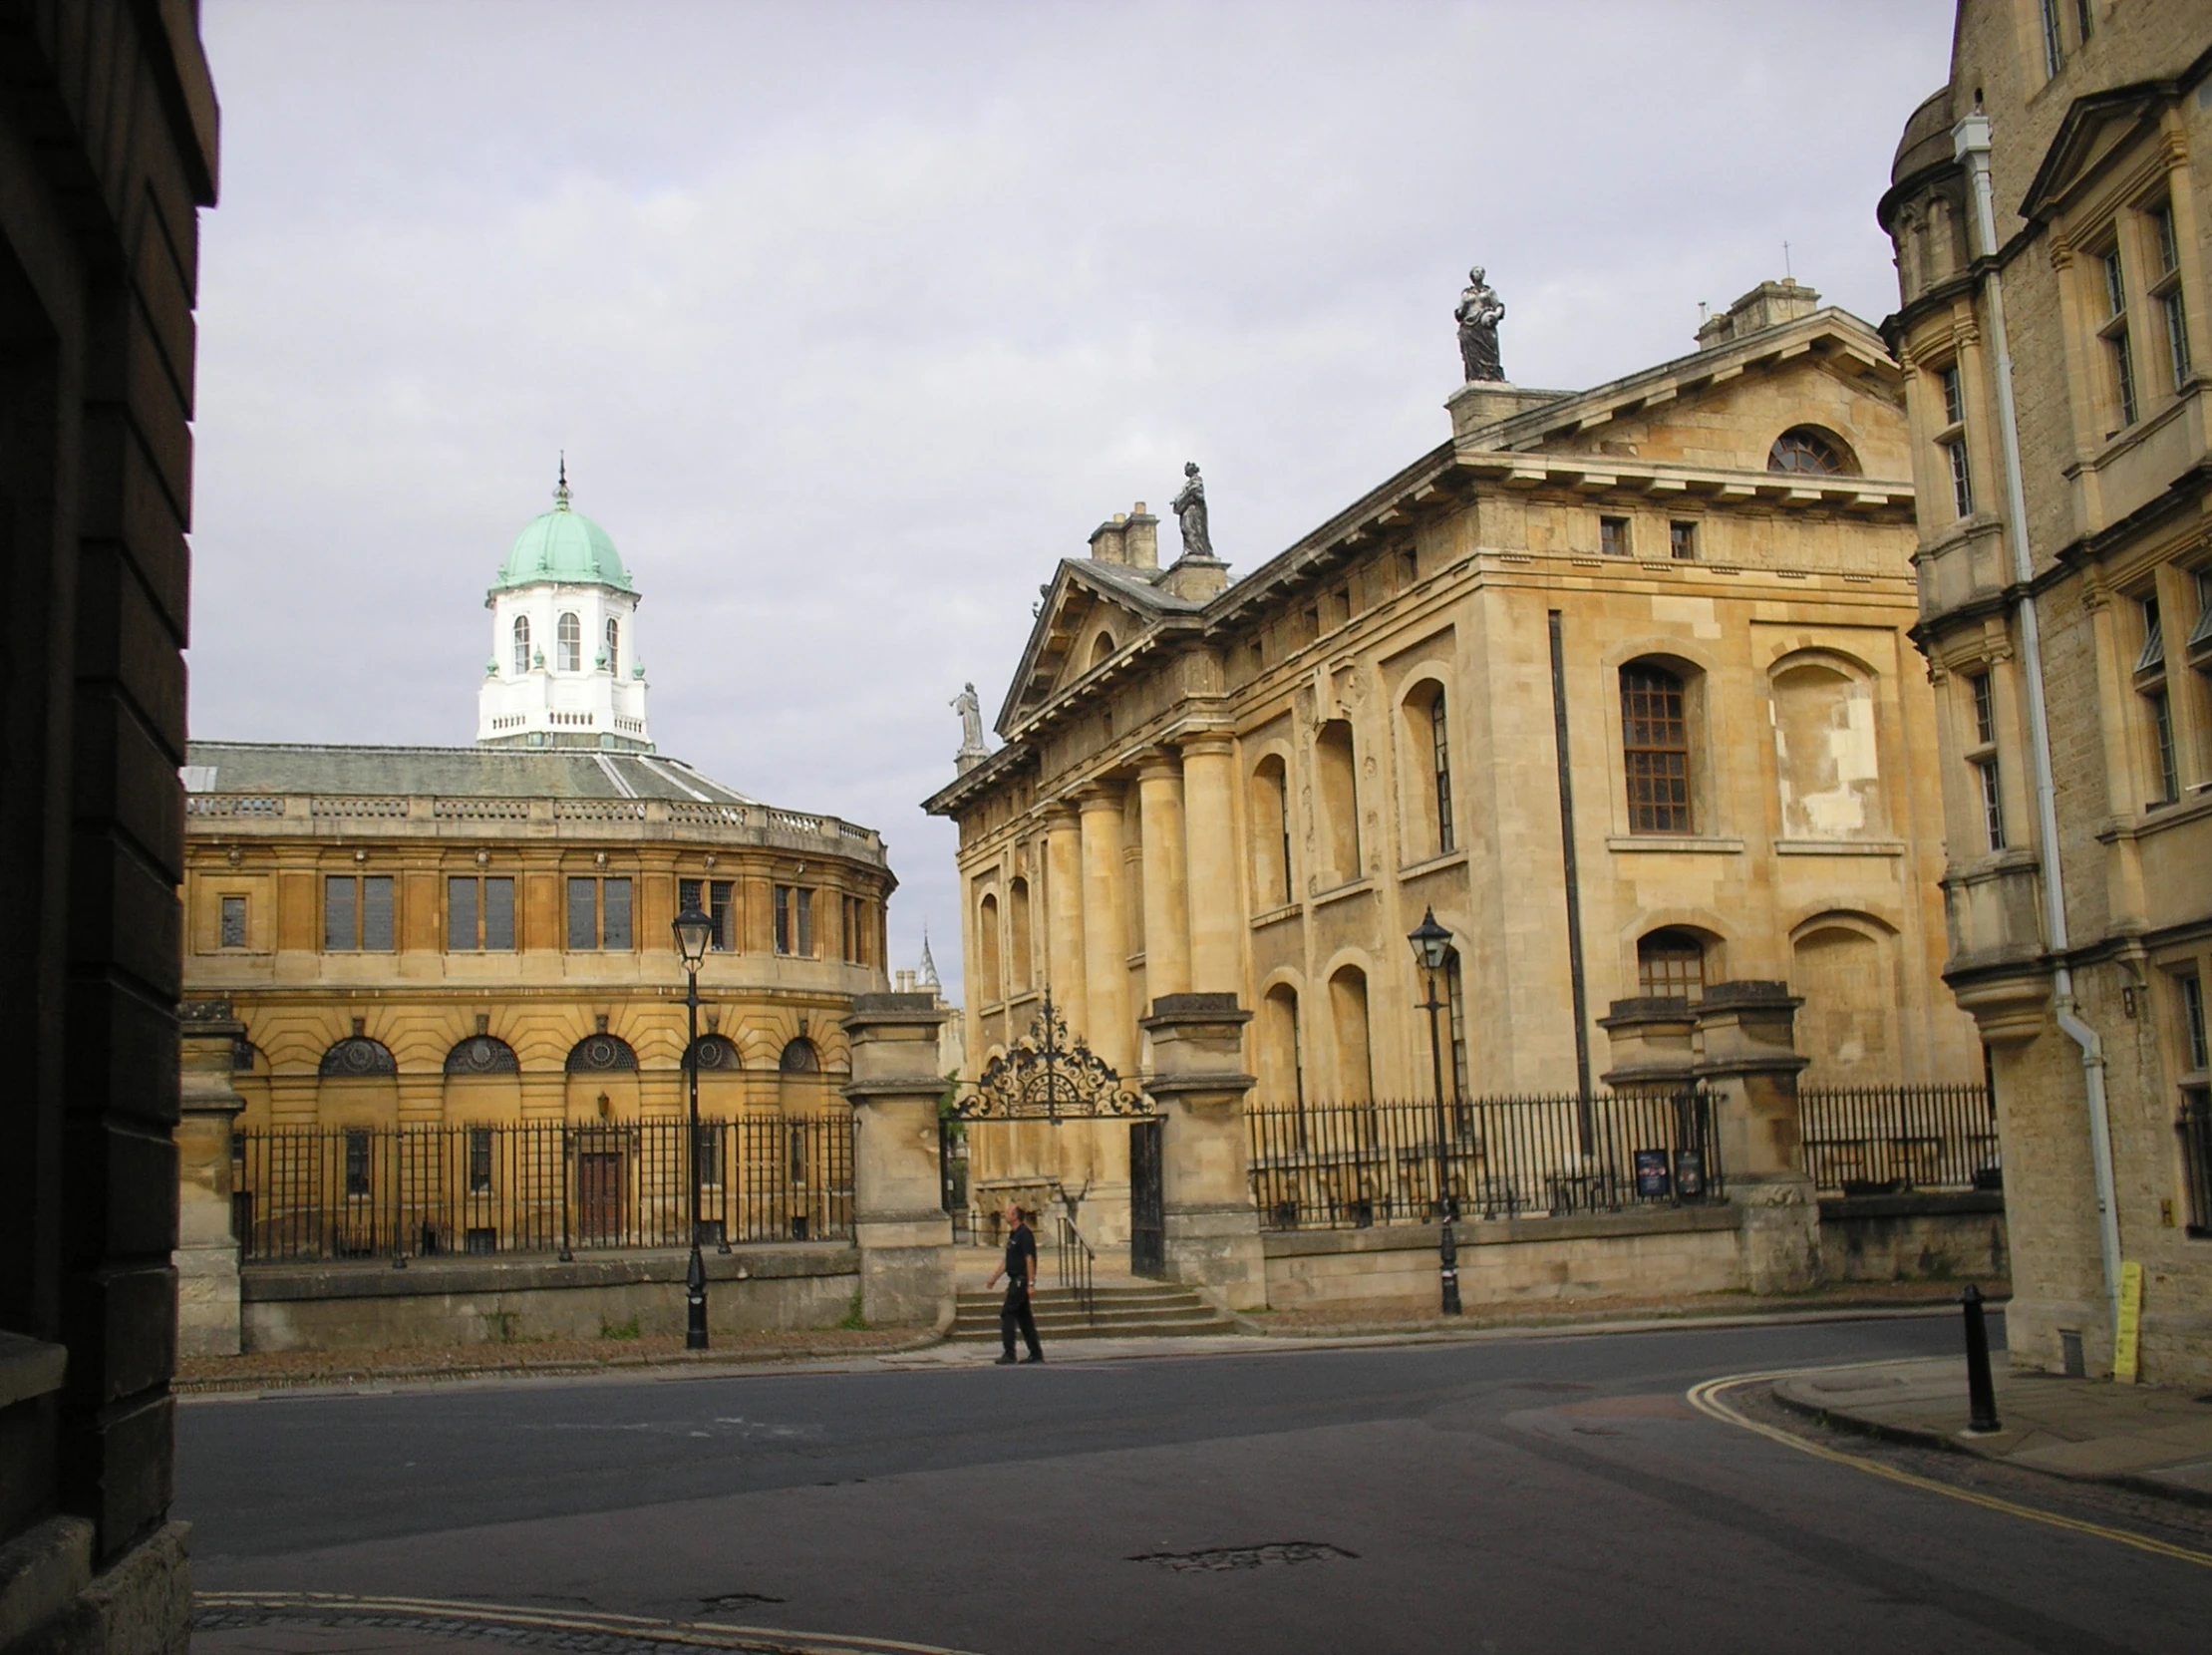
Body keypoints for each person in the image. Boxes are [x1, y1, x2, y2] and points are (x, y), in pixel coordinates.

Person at [986, 1200, 1043, 1364]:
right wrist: (993, 1279)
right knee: (1024, 1318)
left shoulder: (1025, 1234)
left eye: (1008, 1211)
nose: (1005, 1213)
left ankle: (1009, 1353)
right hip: (1015, 1278)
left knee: (1007, 1313)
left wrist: (1031, 1283)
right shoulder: (1013, 1235)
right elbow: (1007, 1261)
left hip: (1021, 1280)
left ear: (1015, 1216)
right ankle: (1036, 1353)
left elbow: (1029, 1259)